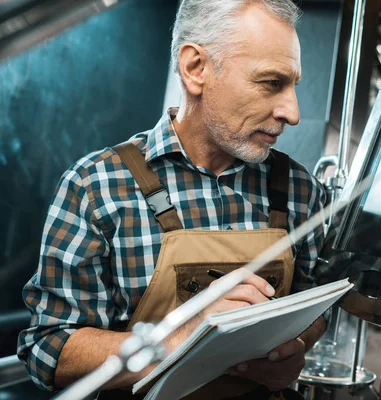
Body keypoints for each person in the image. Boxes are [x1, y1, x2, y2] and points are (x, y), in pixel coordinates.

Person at [17, 0, 327, 398]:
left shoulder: (301, 190)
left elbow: (314, 307)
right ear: (196, 68)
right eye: (271, 83)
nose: (293, 112)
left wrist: (294, 349)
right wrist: (179, 340)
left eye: (293, 86)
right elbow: (49, 350)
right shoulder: (96, 186)